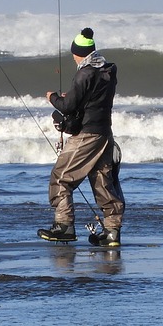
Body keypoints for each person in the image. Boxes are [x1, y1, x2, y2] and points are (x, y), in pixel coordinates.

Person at [38, 27, 125, 247]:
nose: (74, 57)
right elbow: (93, 99)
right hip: (105, 133)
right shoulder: (107, 71)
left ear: (80, 53)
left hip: (87, 134)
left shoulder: (84, 72)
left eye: (74, 53)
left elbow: (67, 106)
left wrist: (53, 98)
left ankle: (64, 226)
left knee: (61, 178)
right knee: (102, 180)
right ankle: (111, 231)